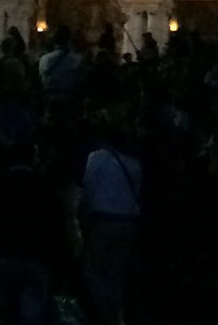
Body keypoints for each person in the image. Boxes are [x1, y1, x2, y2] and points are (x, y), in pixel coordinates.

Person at [80, 126, 143, 325]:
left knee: (94, 271)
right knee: (116, 273)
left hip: (102, 220)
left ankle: (97, 315)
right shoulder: (134, 164)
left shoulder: (95, 157)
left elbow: (88, 187)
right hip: (128, 222)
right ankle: (115, 317)